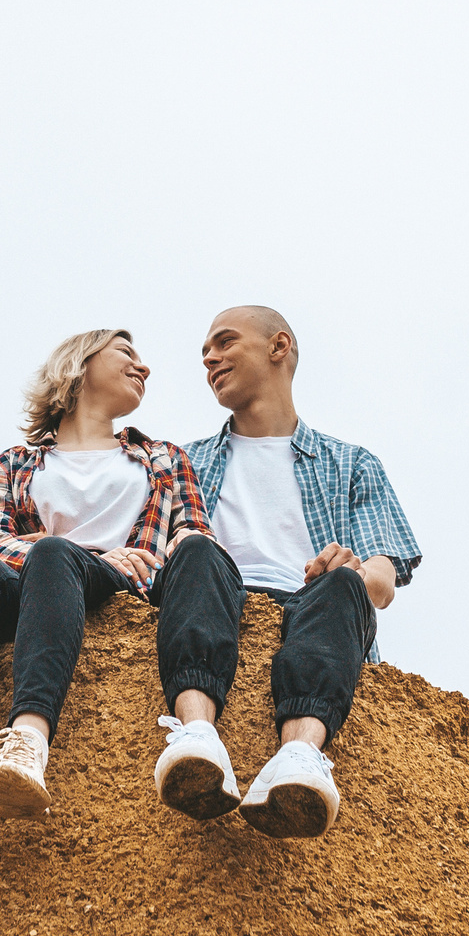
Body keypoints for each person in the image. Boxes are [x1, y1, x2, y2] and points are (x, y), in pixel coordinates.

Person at [0, 328, 216, 830]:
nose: (143, 367)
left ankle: (28, 742)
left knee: (52, 550)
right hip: (40, 585)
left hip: (119, 584)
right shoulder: (13, 463)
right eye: (126, 353)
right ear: (79, 365)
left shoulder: (164, 458)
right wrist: (65, 550)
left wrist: (95, 553)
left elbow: (192, 539)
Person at [147, 306, 422, 839]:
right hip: (213, 591)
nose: (209, 357)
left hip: (311, 603)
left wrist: (354, 569)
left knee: (343, 584)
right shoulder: (181, 462)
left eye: (225, 342)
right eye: (205, 351)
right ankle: (195, 734)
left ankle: (298, 757)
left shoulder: (351, 463)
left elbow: (382, 582)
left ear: (278, 347)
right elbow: (147, 554)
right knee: (198, 551)